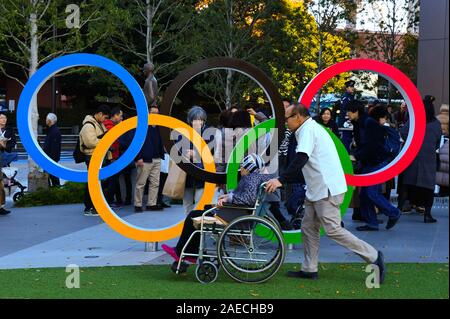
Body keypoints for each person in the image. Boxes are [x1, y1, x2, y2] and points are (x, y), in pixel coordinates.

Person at [266, 103, 385, 283]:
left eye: (287, 118)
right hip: (318, 188)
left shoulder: (308, 130)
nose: (285, 122)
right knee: (308, 227)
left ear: (298, 117)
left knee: (333, 230)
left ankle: (374, 256)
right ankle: (309, 268)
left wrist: (280, 180)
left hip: (326, 188)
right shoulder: (309, 128)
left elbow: (301, 158)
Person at [162, 153, 275, 265]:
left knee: (193, 216)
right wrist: (228, 196)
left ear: (249, 167)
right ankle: (188, 254)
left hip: (231, 215)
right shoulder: (253, 178)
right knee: (196, 215)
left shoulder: (251, 179)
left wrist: (228, 198)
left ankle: (183, 252)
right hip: (233, 213)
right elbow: (245, 197)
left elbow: (247, 199)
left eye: (243, 166)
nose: (241, 168)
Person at [347, 102, 401, 231]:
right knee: (364, 195)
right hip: (369, 162)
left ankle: (394, 213)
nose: (347, 114)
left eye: (349, 111)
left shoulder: (369, 123)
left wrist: (356, 156)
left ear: (356, 112)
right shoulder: (359, 123)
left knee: (371, 193)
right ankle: (371, 222)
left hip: (377, 162)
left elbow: (372, 145)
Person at [399, 97, 442, 223]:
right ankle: (427, 214)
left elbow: (403, 132)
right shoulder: (436, 123)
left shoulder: (414, 120)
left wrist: (412, 141)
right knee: (429, 187)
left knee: (406, 184)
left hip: (413, 156)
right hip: (429, 158)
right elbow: (438, 141)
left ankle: (398, 210)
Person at [79, 104, 111, 216]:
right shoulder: (88, 125)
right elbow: (90, 142)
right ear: (100, 114)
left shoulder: (99, 124)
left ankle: (95, 205)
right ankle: (89, 207)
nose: (105, 120)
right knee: (93, 183)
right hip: (92, 157)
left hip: (99, 156)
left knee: (98, 182)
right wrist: (105, 141)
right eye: (105, 117)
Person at [134, 106, 165, 212]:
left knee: (155, 183)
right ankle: (137, 204)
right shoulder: (142, 127)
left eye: (157, 113)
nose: (155, 115)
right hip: (144, 159)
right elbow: (136, 143)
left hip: (157, 158)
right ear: (148, 114)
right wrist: (138, 158)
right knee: (141, 183)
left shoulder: (160, 127)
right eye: (153, 113)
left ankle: (151, 204)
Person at [103, 107, 124, 207]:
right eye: (120, 116)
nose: (121, 118)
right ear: (115, 115)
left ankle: (114, 200)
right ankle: (108, 201)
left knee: (113, 180)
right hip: (111, 158)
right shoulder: (109, 126)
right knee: (112, 180)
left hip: (114, 157)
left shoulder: (110, 125)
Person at [0, 113, 15, 216]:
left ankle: (1, 206)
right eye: (1, 118)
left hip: (4, 157)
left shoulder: (9, 130)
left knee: (2, 183)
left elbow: (12, 142)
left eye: (5, 118)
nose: (3, 119)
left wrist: (5, 145)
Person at [43, 113, 62, 187]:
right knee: (51, 176)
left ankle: (55, 191)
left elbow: (54, 148)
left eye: (46, 119)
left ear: (50, 120)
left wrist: (50, 160)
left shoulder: (54, 131)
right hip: (50, 158)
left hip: (51, 159)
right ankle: (53, 190)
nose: (45, 121)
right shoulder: (51, 130)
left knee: (53, 177)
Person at [339, 80, 356, 151]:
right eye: (350, 87)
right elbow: (345, 111)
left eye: (353, 87)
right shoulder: (346, 98)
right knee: (346, 140)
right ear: (347, 88)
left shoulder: (351, 97)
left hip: (351, 122)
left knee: (350, 140)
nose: (352, 88)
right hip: (346, 123)